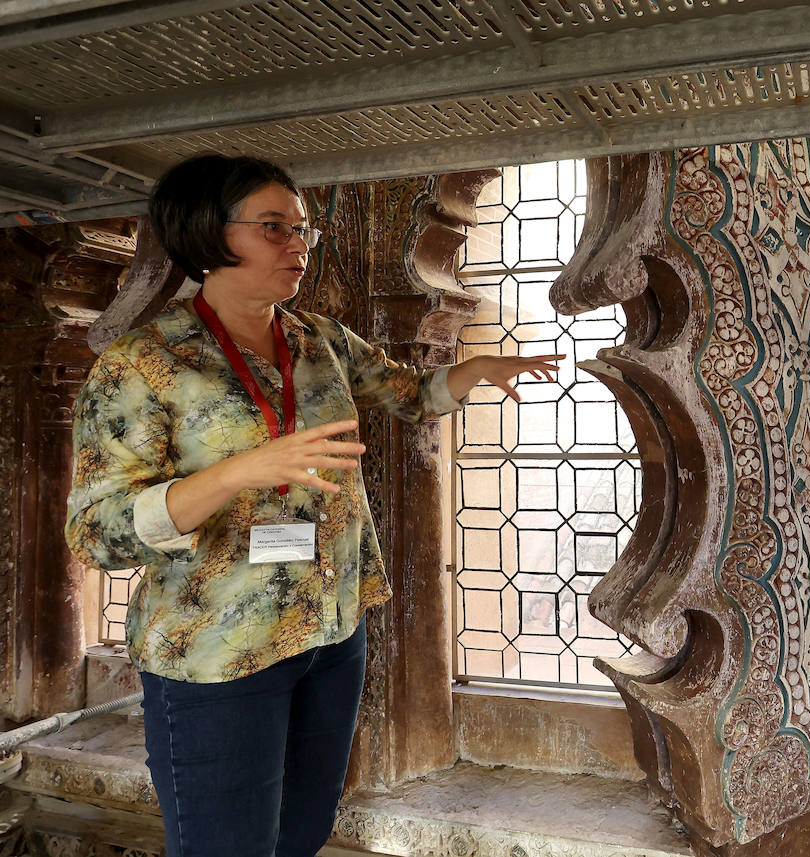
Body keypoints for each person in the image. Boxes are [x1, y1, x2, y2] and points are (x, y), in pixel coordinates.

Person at [64, 154, 561, 857]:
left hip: (330, 633)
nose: (298, 245)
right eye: (274, 227)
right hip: (218, 654)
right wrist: (237, 472)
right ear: (208, 233)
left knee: (301, 836)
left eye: (302, 229)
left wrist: (472, 371)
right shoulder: (142, 364)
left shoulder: (317, 340)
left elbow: (409, 394)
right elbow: (97, 533)